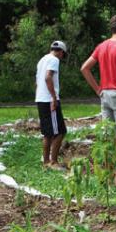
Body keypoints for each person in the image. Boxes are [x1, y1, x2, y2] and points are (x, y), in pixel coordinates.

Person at [81, 15, 116, 183]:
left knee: (107, 135)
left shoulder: (101, 47)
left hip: (105, 95)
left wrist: (98, 89)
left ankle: (107, 174)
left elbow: (84, 68)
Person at [35, 40, 67, 169]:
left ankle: (46, 162)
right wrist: (54, 98)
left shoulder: (42, 60)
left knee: (47, 133)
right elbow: (48, 77)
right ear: (61, 52)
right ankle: (53, 162)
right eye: (63, 54)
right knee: (60, 132)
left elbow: (37, 82)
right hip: (49, 100)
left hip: (40, 99)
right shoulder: (54, 60)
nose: (62, 57)